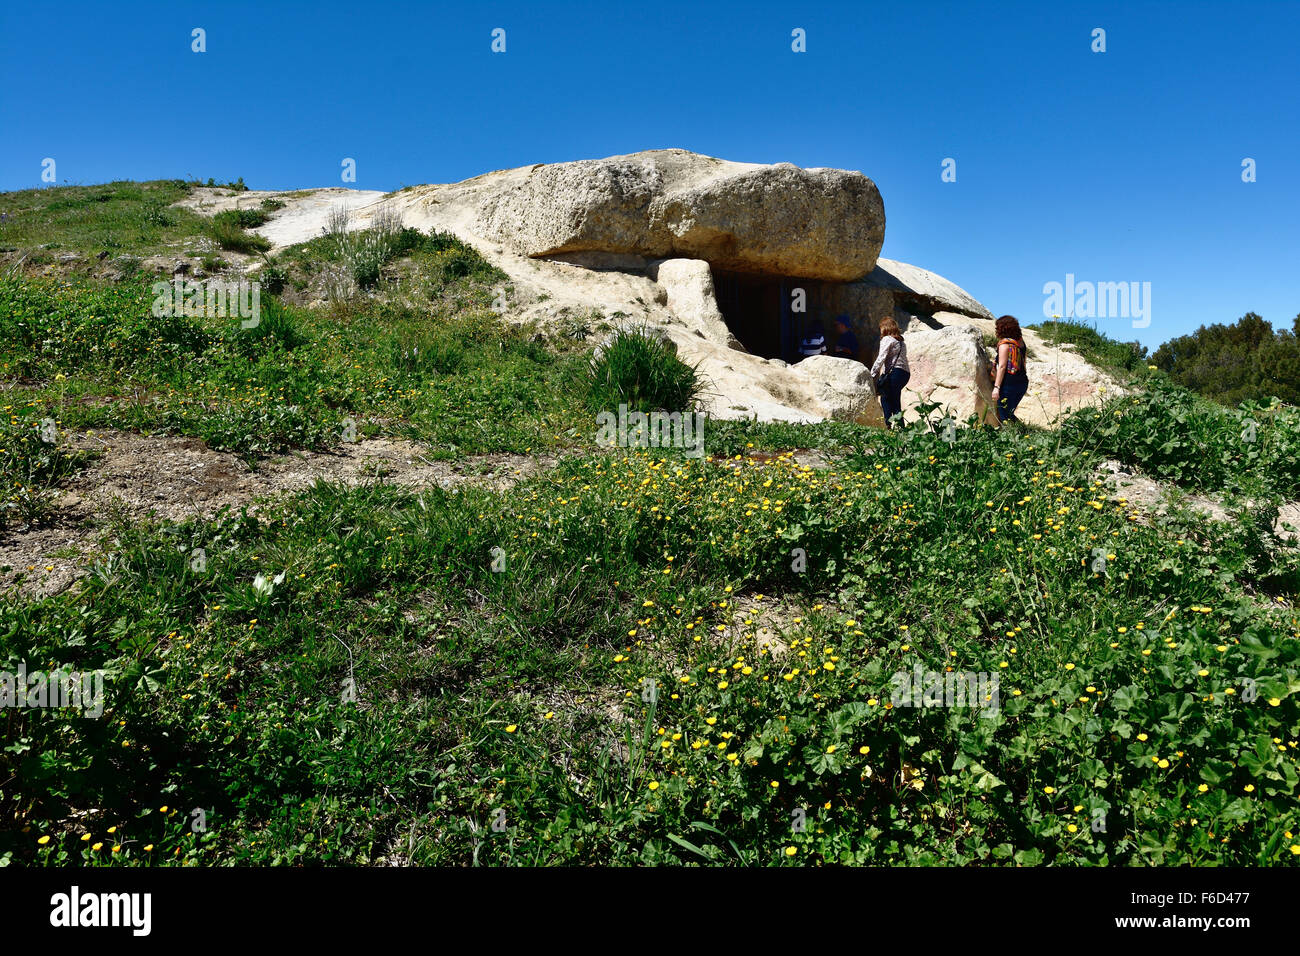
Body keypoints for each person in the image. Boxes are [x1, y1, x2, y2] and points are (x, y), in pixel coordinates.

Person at [870, 317, 910, 429]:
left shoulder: (887, 339)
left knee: (885, 397)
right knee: (894, 399)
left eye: (881, 328)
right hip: (904, 374)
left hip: (895, 373)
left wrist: (871, 374)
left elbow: (881, 357)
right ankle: (900, 427)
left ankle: (887, 425)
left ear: (885, 328)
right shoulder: (901, 342)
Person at [991, 314, 1029, 425]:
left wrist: (996, 388)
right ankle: (1022, 432)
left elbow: (1002, 367)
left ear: (1002, 329)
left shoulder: (1005, 345)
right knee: (1009, 412)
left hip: (1008, 384)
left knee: (1004, 415)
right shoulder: (1021, 343)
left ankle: (1013, 436)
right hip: (1022, 383)